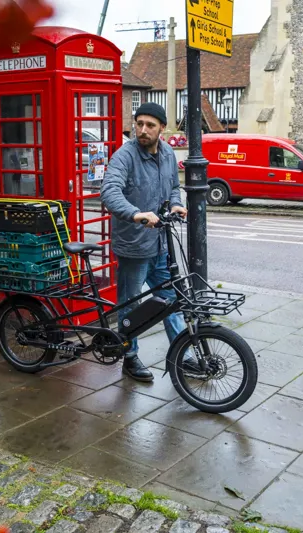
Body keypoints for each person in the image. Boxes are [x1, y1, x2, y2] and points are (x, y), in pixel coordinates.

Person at [100, 102, 199, 382]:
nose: (142, 130)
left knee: (171, 299)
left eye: (150, 125)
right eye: (139, 124)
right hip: (134, 244)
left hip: (160, 243)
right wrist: (136, 214)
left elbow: (173, 187)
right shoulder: (125, 156)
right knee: (130, 305)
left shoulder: (167, 153)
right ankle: (129, 356)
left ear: (162, 129)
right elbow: (109, 190)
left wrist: (176, 204)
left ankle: (184, 355)